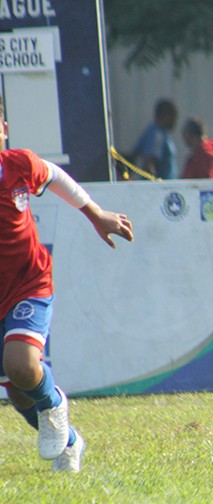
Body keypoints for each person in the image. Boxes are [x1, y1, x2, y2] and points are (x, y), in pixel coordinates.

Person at [0, 98, 135, 472]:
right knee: (20, 393)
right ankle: (70, 441)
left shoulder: (20, 165)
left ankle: (54, 403)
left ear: (4, 130)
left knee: (22, 365)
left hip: (29, 282)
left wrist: (96, 214)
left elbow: (56, 178)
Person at [130, 98, 179, 180]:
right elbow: (149, 162)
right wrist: (155, 185)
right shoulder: (157, 134)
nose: (175, 120)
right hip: (162, 188)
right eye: (173, 116)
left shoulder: (157, 132)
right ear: (165, 115)